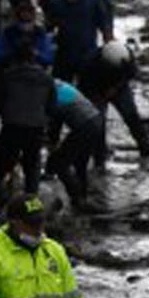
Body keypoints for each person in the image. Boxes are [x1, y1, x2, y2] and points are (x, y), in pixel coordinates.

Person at [75, 40, 149, 161]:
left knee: (131, 115)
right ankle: (99, 156)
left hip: (119, 87)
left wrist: (115, 88)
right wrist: (99, 96)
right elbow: (84, 87)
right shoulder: (89, 63)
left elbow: (130, 74)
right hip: (95, 90)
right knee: (98, 122)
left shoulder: (127, 55)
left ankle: (145, 148)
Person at [0, 47, 55, 200]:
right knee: (32, 172)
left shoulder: (7, 76)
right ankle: (31, 212)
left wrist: (7, 115)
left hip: (12, 126)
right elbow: (51, 106)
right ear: (34, 59)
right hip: (35, 128)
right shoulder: (46, 79)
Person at [43, 79, 106, 211]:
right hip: (96, 120)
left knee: (60, 164)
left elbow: (55, 122)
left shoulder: (47, 92)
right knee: (80, 163)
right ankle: (82, 198)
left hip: (85, 125)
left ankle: (77, 199)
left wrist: (51, 142)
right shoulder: (58, 85)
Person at [44, 0, 112, 85]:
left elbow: (48, 29)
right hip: (87, 53)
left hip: (66, 55)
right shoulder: (93, 0)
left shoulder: (57, 4)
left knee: (61, 91)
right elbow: (105, 27)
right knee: (89, 91)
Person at [0, 1, 55, 69]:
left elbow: (49, 59)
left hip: (36, 71)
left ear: (33, 20)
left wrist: (35, 53)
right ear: (16, 20)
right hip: (13, 70)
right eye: (22, 22)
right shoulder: (8, 33)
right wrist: (15, 52)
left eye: (28, 22)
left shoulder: (41, 34)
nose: (25, 26)